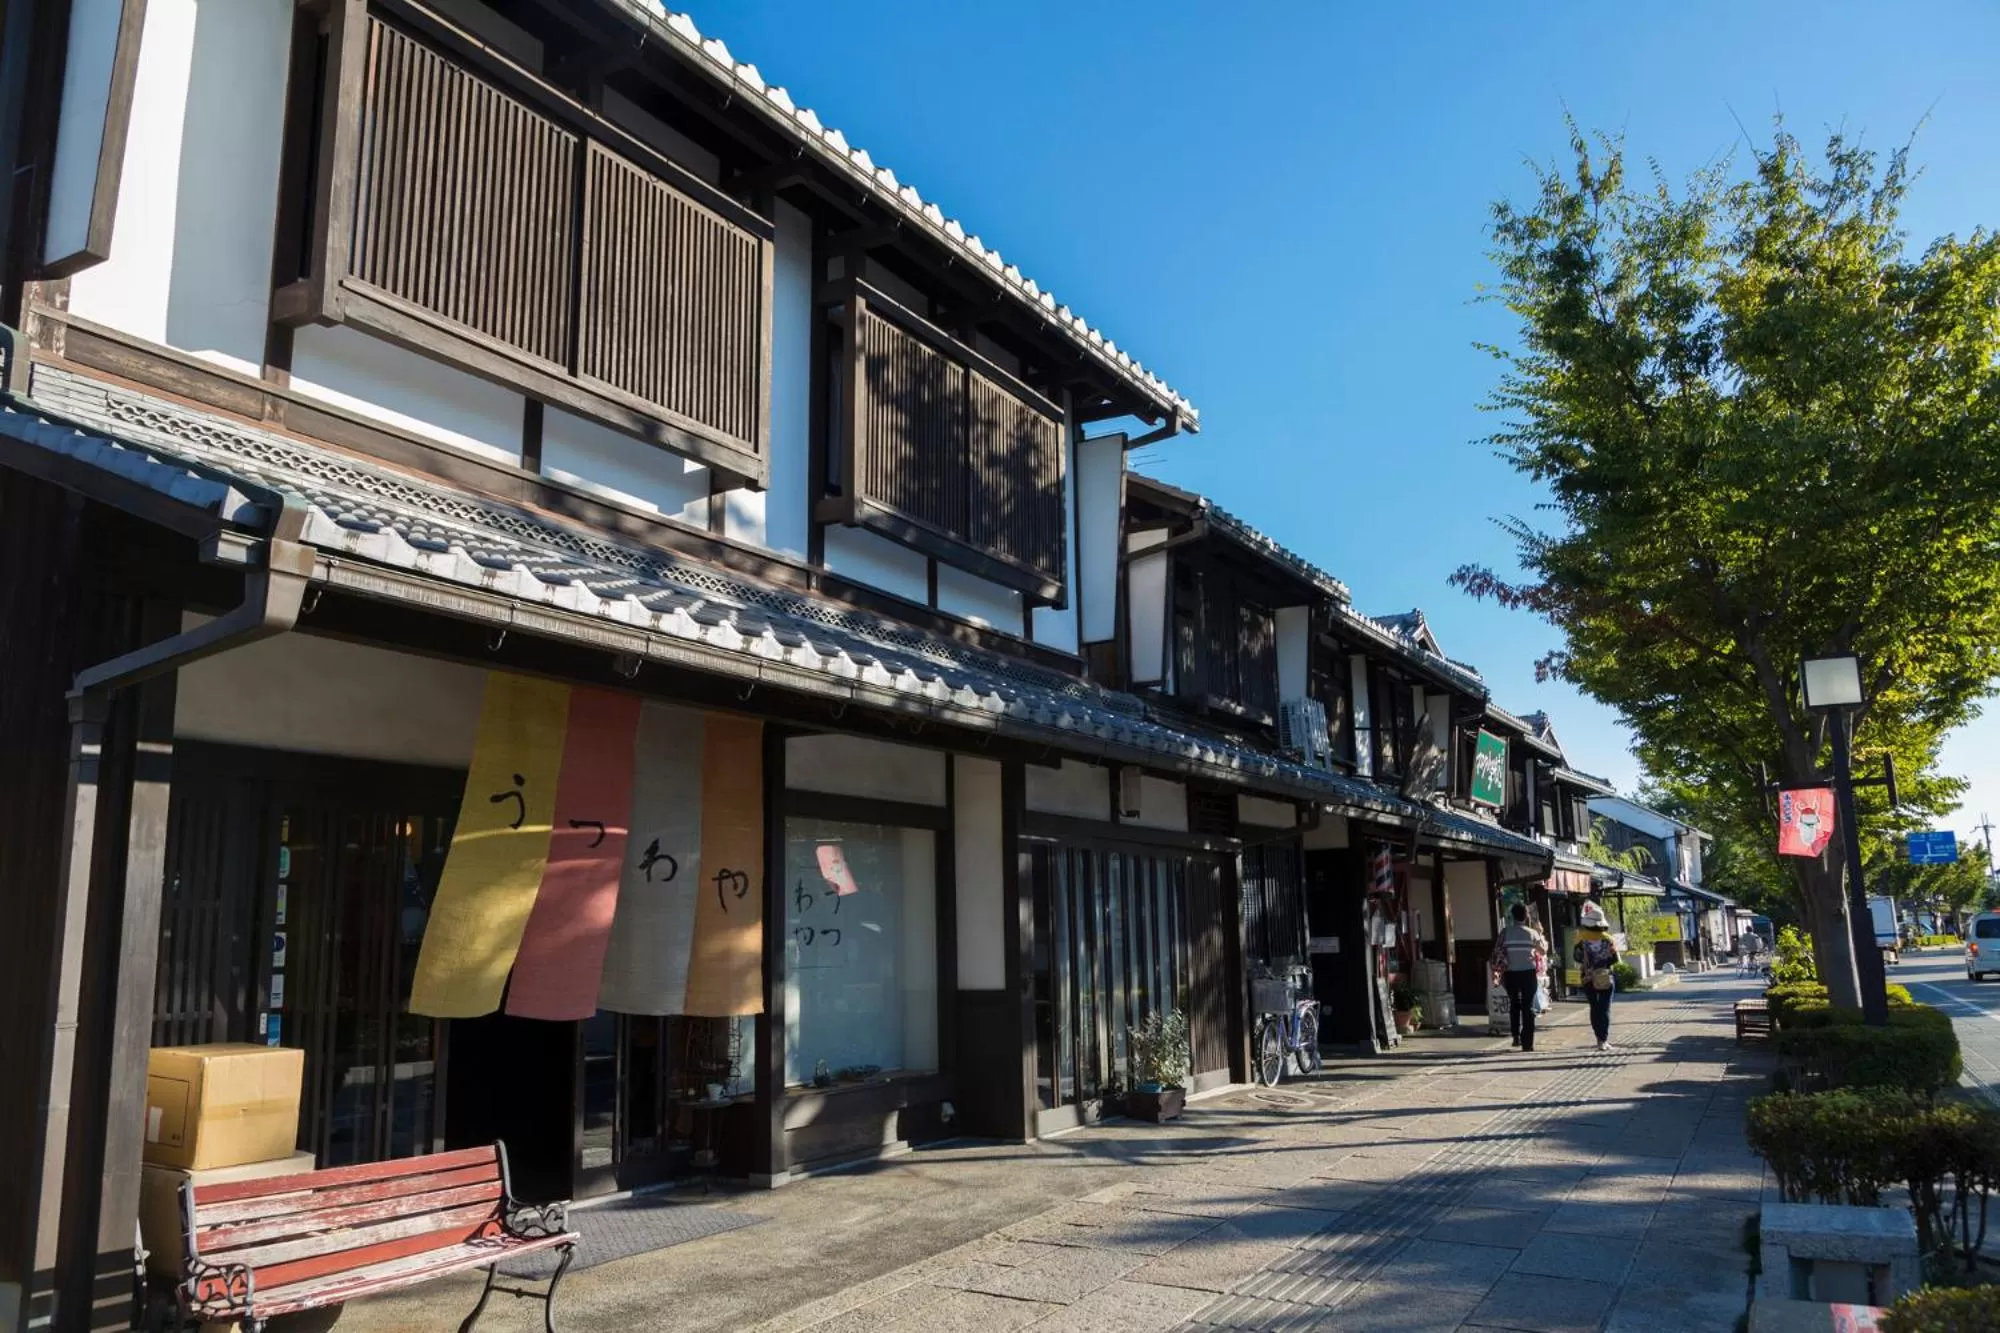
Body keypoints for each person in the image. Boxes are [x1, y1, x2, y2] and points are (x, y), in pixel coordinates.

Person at [1491, 902, 1547, 1051]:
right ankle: (1528, 1043)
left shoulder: (1505, 932)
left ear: (1513, 916)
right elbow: (1542, 951)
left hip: (1510, 974)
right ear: (1526, 916)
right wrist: (1539, 933)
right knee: (1528, 1007)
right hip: (1528, 973)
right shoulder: (1532, 933)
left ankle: (1516, 1036)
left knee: (1514, 1004)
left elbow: (1497, 951)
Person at [1574, 901, 1621, 1050]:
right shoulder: (1608, 939)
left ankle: (1598, 1039)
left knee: (1594, 1007)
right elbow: (1615, 960)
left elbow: (1576, 958)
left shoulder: (1580, 939)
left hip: (1588, 977)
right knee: (1605, 1008)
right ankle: (1604, 1039)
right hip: (1606, 977)